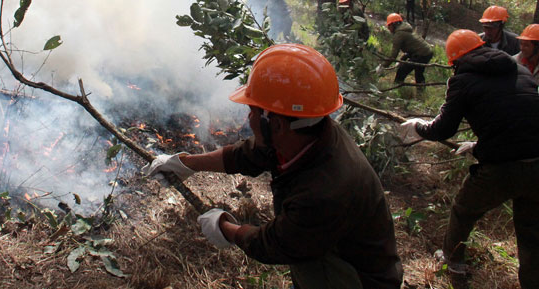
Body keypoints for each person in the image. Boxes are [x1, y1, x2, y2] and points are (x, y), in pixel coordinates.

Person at [144, 44, 403, 288]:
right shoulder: (308, 130)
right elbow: (250, 154)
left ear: (276, 125)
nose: (248, 118)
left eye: (253, 111)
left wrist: (224, 227)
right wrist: (185, 163)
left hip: (358, 280)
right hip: (333, 252)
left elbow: (277, 244)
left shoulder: (325, 191)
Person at [401, 29, 539, 286]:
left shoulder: (462, 80)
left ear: (456, 61)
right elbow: (521, 119)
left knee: (464, 209)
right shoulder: (520, 69)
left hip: (502, 167)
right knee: (532, 232)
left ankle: (452, 261)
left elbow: (443, 129)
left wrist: (418, 125)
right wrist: (479, 145)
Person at [378, 13, 434, 91]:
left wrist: (383, 66)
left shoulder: (399, 34)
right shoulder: (405, 29)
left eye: (389, 26)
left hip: (421, 54)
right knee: (419, 73)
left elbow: (393, 55)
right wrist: (402, 59)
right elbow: (411, 47)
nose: (388, 28)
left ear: (394, 24)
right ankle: (421, 92)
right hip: (427, 52)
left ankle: (396, 89)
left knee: (402, 71)